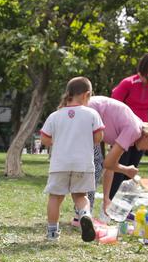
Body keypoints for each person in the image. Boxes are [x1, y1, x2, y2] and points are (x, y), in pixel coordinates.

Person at [40, 77, 104, 241]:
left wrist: (60, 141)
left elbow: (45, 139)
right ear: (86, 95)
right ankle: (84, 214)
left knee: (55, 197)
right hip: (83, 164)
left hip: (60, 164)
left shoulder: (55, 116)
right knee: (80, 196)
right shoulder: (91, 114)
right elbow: (99, 137)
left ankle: (53, 233)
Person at [88, 95, 148, 213]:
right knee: (95, 167)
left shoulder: (136, 128)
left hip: (89, 113)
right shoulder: (134, 131)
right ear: (147, 137)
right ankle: (84, 214)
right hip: (88, 113)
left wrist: (106, 198)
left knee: (93, 166)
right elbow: (108, 164)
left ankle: (83, 212)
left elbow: (111, 166)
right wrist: (126, 170)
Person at [112, 53, 148, 123]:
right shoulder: (127, 83)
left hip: (145, 129)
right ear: (143, 69)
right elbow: (112, 108)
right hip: (123, 125)